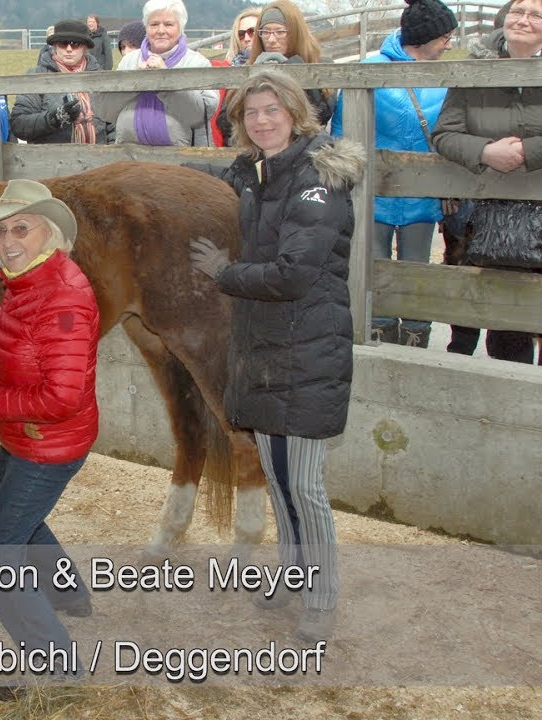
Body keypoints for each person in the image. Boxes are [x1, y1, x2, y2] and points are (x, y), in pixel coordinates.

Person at [186, 69, 364, 643]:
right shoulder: (256, 173)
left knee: (304, 484)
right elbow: (209, 180)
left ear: (295, 111)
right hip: (265, 343)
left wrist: (224, 273)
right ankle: (292, 572)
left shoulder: (317, 178)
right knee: (279, 476)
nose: (262, 120)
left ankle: (323, 593)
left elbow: (294, 274)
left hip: (308, 344)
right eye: (251, 113)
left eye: (272, 109)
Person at [0, 179, 99, 701]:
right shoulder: (27, 282)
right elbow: (28, 359)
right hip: (29, 435)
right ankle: (68, 596)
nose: (7, 239)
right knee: (6, 513)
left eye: (22, 227)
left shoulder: (61, 296)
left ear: (52, 234)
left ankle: (57, 663)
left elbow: (61, 396)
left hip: (49, 441)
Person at [431, 0, 542, 370]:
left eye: (536, 14)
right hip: (497, 216)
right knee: (504, 321)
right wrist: (486, 151)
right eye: (518, 11)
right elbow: (445, 134)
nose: (523, 20)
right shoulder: (475, 67)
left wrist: (531, 151)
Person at [330, 0, 458, 348]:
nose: (449, 43)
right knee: (373, 265)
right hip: (373, 191)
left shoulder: (447, 77)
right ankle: (378, 331)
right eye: (445, 36)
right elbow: (343, 131)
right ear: (424, 37)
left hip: (422, 191)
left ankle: (417, 335)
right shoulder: (369, 70)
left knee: (418, 270)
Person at [92, 0, 218, 147]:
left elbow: (200, 115)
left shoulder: (198, 63)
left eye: (169, 24)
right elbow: (105, 110)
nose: (160, 30)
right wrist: (137, 81)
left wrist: (165, 80)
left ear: (181, 28)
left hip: (181, 157)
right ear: (146, 28)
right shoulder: (129, 61)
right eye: (154, 24)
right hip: (129, 153)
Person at [11, 19, 113, 145]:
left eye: (75, 44)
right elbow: (19, 124)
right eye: (63, 43)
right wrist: (56, 118)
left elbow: (113, 123)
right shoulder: (36, 77)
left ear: (85, 47)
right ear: (55, 46)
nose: (69, 49)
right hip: (52, 160)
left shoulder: (100, 77)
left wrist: (111, 154)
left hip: (99, 158)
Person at [245, 1, 334, 127]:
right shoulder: (248, 66)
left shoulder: (323, 65)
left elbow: (321, 115)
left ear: (295, 34)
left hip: (305, 144)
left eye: (280, 32)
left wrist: (293, 67)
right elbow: (225, 121)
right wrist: (252, 74)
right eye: (265, 32)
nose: (271, 39)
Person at [208, 5, 265, 147]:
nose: (246, 38)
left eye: (252, 32)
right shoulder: (224, 70)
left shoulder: (278, 66)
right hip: (230, 148)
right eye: (241, 34)